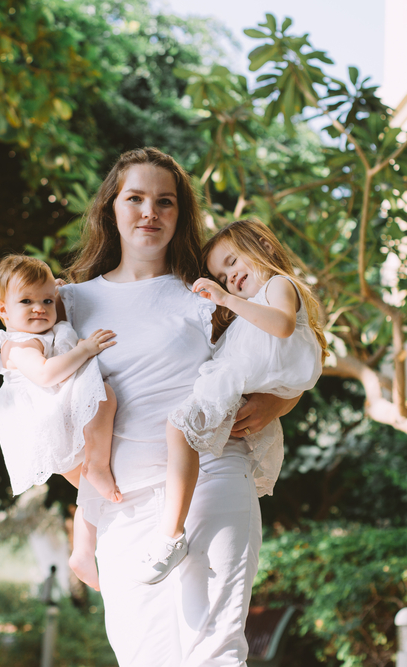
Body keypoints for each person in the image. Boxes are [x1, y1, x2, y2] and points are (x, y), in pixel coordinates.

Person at [57, 147, 301, 666]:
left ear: (180, 214)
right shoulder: (70, 302)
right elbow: (40, 408)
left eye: (165, 202)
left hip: (214, 476)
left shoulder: (208, 294)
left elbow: (284, 356)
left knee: (213, 650)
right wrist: (82, 479)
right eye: (136, 198)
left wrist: (278, 405)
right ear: (110, 208)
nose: (150, 212)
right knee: (143, 655)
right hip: (124, 503)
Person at [0, 254, 119, 591]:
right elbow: (45, 375)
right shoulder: (19, 344)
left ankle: (84, 552)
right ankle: (99, 464)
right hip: (46, 417)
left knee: (93, 493)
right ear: (3, 310)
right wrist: (86, 349)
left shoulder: (41, 327)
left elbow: (54, 298)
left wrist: (56, 292)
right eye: (26, 301)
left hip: (54, 416)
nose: (40, 308)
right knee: (104, 398)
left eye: (46, 300)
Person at [169, 218, 326, 499]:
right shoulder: (249, 309)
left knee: (178, 427)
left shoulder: (279, 285)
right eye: (221, 278)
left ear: (264, 247)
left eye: (232, 262)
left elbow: (282, 325)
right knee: (182, 435)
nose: (229, 277)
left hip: (250, 392)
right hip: (246, 396)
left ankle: (175, 514)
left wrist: (227, 300)